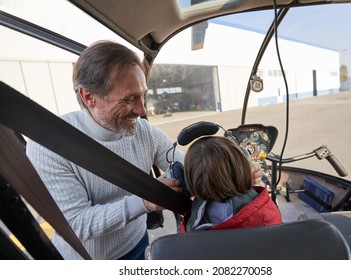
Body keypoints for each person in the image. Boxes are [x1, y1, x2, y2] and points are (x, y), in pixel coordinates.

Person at [26, 40, 264, 260]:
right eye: (129, 99)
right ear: (89, 97)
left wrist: (237, 175)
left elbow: (194, 172)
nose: (141, 110)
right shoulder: (49, 146)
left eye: (143, 96)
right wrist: (144, 202)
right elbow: (77, 224)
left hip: (138, 245)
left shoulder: (143, 132)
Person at [180, 136, 282, 232]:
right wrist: (256, 185)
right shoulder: (264, 213)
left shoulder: (192, 224)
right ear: (244, 170)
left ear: (190, 182)